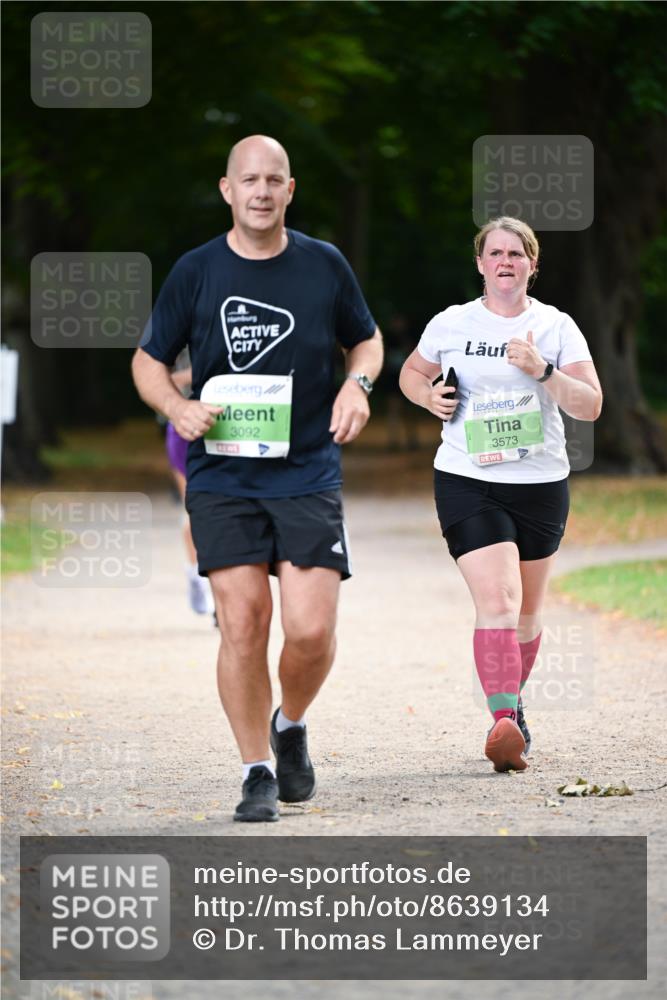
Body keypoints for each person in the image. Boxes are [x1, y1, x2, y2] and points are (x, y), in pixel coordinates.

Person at [132, 135, 383, 821]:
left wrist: (356, 385)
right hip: (222, 476)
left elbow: (365, 338)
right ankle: (255, 772)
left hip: (306, 471)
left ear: (290, 190)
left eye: (274, 180)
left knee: (308, 632)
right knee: (242, 622)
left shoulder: (323, 265)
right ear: (227, 189)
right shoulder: (196, 270)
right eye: (250, 180)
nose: (262, 191)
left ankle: (291, 723)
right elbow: (148, 360)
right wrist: (177, 406)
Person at [399, 217, 602, 773]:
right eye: (495, 253)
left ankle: (512, 708)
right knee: (500, 603)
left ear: (533, 265)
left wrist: (544, 370)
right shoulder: (452, 323)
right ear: (481, 263)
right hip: (468, 478)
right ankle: (501, 724)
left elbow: (589, 404)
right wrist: (428, 399)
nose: (505, 261)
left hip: (540, 484)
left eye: (517, 253)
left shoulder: (556, 326)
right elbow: (411, 374)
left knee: (528, 616)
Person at [165, 352, 215, 618]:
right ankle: (197, 577)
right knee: (193, 508)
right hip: (184, 429)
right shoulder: (172, 329)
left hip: (227, 426)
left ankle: (216, 585)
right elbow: (157, 380)